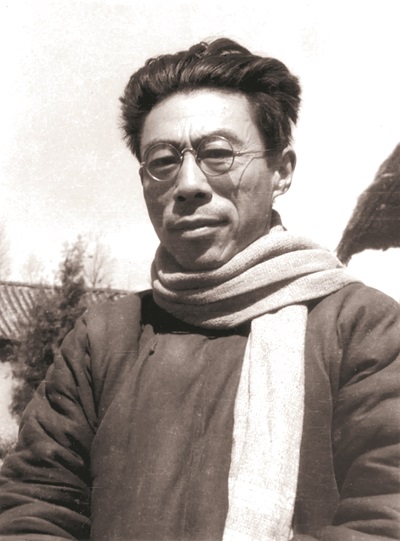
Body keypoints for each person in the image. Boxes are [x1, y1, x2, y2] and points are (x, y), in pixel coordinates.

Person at [0, 38, 399, 541]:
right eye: (163, 160)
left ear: (281, 171)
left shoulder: (363, 329)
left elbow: (385, 518)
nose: (188, 183)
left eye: (218, 154)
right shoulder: (103, 339)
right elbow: (34, 507)